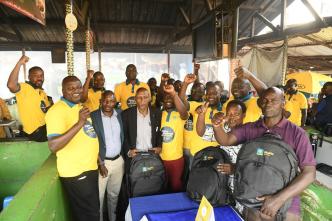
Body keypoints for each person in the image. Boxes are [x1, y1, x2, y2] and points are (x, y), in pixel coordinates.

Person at [212, 87, 316, 221]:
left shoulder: (297, 133)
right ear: (260, 103)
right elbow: (225, 140)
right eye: (265, 100)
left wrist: (278, 199)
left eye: (274, 100)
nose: (268, 104)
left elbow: (309, 174)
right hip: (253, 199)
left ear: (283, 103)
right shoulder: (251, 128)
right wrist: (216, 126)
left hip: (286, 203)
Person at [45, 76, 99, 221]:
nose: (76, 91)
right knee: (90, 215)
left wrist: (98, 160)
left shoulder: (79, 106)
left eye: (79, 87)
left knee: (90, 212)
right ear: (63, 91)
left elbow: (88, 134)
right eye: (71, 88)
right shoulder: (56, 111)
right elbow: (53, 145)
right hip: (76, 172)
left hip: (90, 168)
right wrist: (79, 122)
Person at [90, 90, 124, 221]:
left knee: (114, 195)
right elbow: (91, 142)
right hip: (102, 163)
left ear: (115, 102)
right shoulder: (93, 117)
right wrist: (100, 163)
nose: (108, 104)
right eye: (105, 101)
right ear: (100, 101)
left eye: (111, 101)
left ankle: (112, 218)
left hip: (118, 161)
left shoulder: (120, 114)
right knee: (99, 197)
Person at [7, 55, 51, 142]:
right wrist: (19, 63)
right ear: (29, 77)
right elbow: (11, 85)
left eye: (41, 75)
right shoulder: (25, 88)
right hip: (36, 132)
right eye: (36, 75)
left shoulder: (42, 93)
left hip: (45, 127)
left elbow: (47, 110)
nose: (39, 78)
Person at [160, 83, 188, 192]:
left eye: (170, 97)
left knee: (176, 186)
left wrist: (173, 94)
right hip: (161, 158)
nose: (168, 99)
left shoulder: (180, 115)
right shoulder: (159, 114)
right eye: (166, 97)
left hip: (176, 158)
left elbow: (184, 113)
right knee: (162, 186)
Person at [122, 87, 162, 159]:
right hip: (135, 156)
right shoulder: (126, 114)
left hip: (152, 155)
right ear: (135, 99)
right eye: (139, 97)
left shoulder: (157, 113)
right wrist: (128, 151)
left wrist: (159, 147)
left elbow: (160, 132)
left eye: (145, 97)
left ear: (149, 98)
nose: (142, 100)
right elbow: (123, 136)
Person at [179, 74, 205, 167]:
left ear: (204, 93)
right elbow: (181, 100)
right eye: (194, 90)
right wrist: (185, 84)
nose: (195, 92)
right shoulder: (192, 104)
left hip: (198, 148)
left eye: (199, 91)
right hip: (184, 146)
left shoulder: (205, 105)